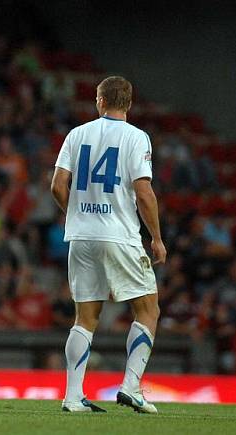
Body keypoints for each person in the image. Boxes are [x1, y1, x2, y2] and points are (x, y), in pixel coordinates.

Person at [51, 76, 166, 414]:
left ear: (98, 100)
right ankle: (131, 387)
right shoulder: (136, 137)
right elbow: (143, 192)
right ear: (129, 103)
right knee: (148, 309)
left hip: (81, 236)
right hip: (119, 235)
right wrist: (156, 238)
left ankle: (72, 397)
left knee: (84, 317)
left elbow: (58, 185)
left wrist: (75, 214)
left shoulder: (77, 134)